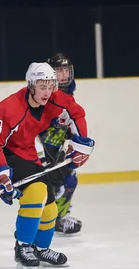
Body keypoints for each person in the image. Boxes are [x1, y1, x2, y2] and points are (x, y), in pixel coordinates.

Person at [0, 61, 95, 269]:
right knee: (36, 191)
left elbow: (76, 113)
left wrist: (81, 144)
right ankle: (23, 248)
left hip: (26, 154)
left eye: (51, 86)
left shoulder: (55, 100)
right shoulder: (6, 110)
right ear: (31, 85)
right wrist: (2, 176)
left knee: (50, 207)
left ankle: (40, 249)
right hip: (0, 157)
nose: (47, 92)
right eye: (42, 87)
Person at [37, 52, 82, 234]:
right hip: (40, 151)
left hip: (57, 150)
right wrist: (40, 155)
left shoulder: (69, 94)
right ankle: (40, 220)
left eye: (65, 71)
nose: (63, 75)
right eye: (58, 71)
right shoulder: (42, 95)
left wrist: (74, 140)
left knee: (70, 180)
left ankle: (59, 218)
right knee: (45, 187)